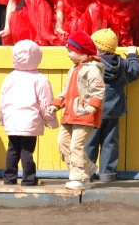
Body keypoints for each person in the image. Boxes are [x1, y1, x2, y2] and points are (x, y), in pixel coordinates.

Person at [48, 31, 105, 190]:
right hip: (70, 114)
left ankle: (80, 178)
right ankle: (88, 168)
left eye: (71, 51)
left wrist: (93, 105)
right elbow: (66, 92)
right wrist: (57, 104)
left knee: (76, 145)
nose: (68, 55)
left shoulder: (92, 68)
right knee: (63, 142)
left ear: (82, 52)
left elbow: (98, 89)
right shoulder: (73, 69)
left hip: (84, 114)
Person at [0, 39, 59, 186]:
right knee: (27, 151)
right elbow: (46, 102)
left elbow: (2, 100)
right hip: (30, 122)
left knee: (12, 150)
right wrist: (50, 120)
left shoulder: (10, 77)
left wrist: (2, 119)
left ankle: (9, 178)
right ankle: (29, 179)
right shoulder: (40, 79)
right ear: (38, 57)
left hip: (12, 120)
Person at [86, 29, 139, 183]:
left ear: (97, 48)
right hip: (114, 109)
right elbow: (135, 72)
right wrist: (132, 56)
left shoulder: (91, 64)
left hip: (93, 109)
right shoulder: (122, 63)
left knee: (90, 142)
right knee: (110, 143)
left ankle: (87, 173)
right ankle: (107, 174)